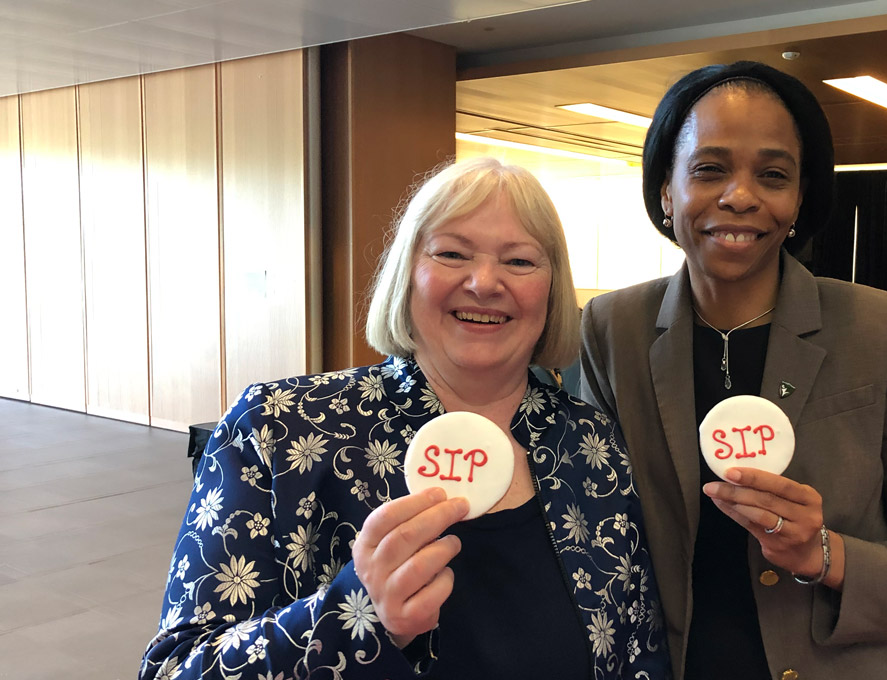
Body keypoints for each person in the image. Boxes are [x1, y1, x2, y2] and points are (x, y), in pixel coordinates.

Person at [141, 157, 670, 679]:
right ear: (407, 274)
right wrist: (355, 616)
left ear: (552, 291)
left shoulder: (591, 443)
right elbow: (175, 671)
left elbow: (640, 653)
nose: (484, 282)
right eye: (452, 253)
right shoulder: (279, 430)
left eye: (520, 262)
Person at [579, 61, 887, 678]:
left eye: (772, 175)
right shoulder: (613, 330)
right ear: (666, 189)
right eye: (709, 169)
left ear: (799, 200)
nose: (740, 196)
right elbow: (592, 534)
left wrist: (823, 553)